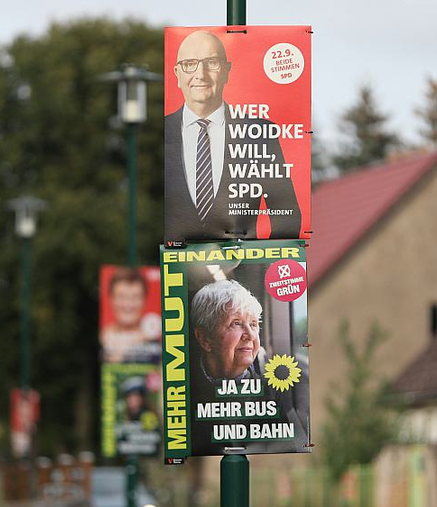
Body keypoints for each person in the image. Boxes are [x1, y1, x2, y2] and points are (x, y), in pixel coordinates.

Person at [164, 30, 301, 241]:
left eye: (212, 62)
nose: (201, 74)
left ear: (227, 71)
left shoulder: (259, 134)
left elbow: (287, 216)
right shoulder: (161, 131)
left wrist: (261, 266)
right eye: (189, 64)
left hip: (245, 270)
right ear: (177, 74)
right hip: (177, 270)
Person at [190, 279, 308, 454]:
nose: (251, 335)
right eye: (236, 323)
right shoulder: (185, 388)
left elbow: (297, 443)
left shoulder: (284, 380)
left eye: (253, 324)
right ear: (204, 339)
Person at [100, 268, 160, 363]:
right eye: (122, 297)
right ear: (111, 299)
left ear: (144, 300)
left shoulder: (159, 341)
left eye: (135, 297)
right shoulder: (102, 338)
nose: (128, 304)